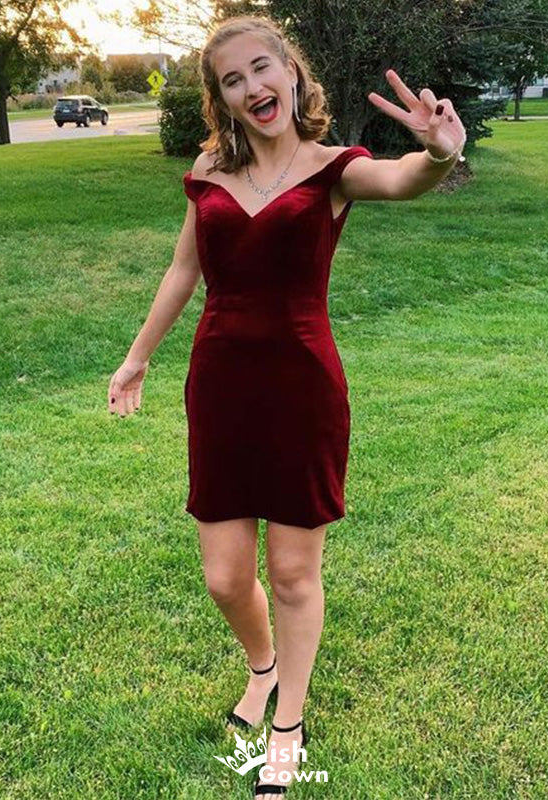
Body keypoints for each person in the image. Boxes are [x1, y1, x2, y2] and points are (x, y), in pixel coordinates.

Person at [107, 14, 466, 798]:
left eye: (261, 69)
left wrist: (440, 152)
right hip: (221, 385)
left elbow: (403, 179)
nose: (252, 88)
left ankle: (288, 722)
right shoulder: (210, 167)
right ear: (222, 99)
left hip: (302, 388)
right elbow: (183, 269)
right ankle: (261, 666)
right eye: (232, 81)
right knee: (224, 577)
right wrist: (138, 358)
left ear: (292, 72)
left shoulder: (334, 168)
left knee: (295, 574)